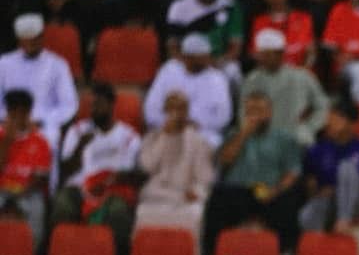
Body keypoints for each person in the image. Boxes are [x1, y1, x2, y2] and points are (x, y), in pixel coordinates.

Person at [206, 90, 306, 255]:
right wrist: (244, 134)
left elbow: (293, 172)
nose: (255, 116)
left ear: (270, 113)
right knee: (217, 197)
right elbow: (224, 161)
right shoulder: (233, 135)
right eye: (250, 111)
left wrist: (276, 190)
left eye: (259, 111)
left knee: (289, 203)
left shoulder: (284, 139)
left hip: (269, 191)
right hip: (238, 191)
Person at [53, 83, 143, 241]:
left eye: (99, 104)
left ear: (111, 105)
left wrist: (112, 181)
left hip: (112, 190)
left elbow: (132, 174)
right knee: (62, 204)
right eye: (92, 105)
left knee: (118, 211)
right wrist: (80, 147)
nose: (94, 110)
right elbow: (65, 171)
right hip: (79, 189)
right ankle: (62, 251)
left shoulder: (129, 136)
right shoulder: (77, 131)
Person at [136, 92, 217, 235]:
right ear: (164, 111)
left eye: (180, 109)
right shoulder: (152, 137)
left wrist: (197, 191)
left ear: (187, 112)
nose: (175, 114)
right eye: (171, 109)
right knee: (144, 208)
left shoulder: (198, 141)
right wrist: (164, 136)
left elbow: (205, 177)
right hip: (157, 194)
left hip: (184, 195)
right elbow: (147, 167)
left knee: (194, 212)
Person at [300, 100, 359, 231]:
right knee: (306, 216)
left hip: (358, 202)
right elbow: (310, 183)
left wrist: (348, 187)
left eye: (336, 120)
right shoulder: (318, 149)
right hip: (329, 201)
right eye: (329, 120)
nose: (330, 124)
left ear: (351, 124)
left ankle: (344, 219)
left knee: (347, 167)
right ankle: (320, 239)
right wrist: (318, 191)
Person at [0, 14, 78, 148]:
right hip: (8, 123)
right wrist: (9, 120)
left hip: (43, 125)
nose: (31, 43)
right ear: (19, 40)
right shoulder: (4, 63)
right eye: (27, 40)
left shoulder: (57, 65)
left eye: (35, 39)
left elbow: (68, 104)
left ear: (42, 38)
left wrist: (44, 120)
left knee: (50, 137)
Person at [243, 27, 329, 145]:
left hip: (296, 137)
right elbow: (243, 112)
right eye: (261, 55)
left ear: (280, 54)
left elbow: (322, 105)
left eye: (268, 54)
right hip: (262, 138)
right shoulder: (252, 80)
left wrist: (309, 128)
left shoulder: (302, 76)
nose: (263, 59)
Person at [145, 35, 235, 146]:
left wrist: (196, 123)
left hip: (203, 132)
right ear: (187, 57)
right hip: (167, 128)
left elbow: (224, 116)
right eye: (202, 56)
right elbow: (151, 109)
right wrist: (172, 122)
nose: (208, 58)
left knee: (212, 142)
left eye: (207, 55)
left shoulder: (218, 78)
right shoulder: (169, 70)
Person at [0, 90, 52, 244]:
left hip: (28, 192)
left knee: (36, 208)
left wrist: (19, 194)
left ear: (28, 113)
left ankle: (31, 253)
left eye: (21, 112)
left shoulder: (40, 142)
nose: (16, 117)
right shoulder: (2, 138)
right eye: (12, 112)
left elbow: (41, 178)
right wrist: (7, 142)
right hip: (2, 190)